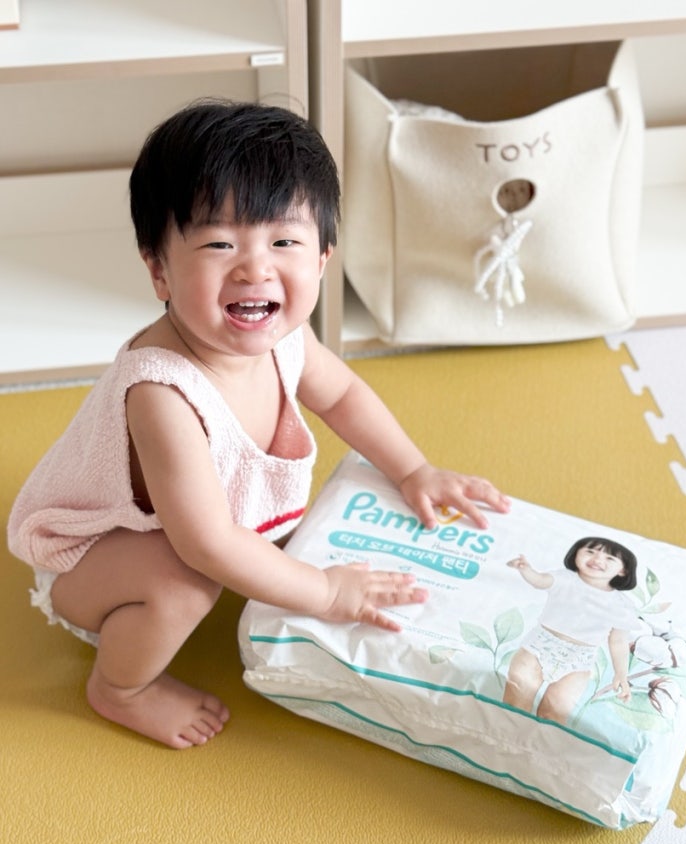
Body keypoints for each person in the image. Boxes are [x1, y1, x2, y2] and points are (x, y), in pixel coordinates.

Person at [7, 100, 511, 750]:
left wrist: (413, 469)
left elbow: (343, 395)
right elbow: (207, 545)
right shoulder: (163, 393)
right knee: (185, 582)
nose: (255, 268)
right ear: (159, 269)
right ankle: (120, 687)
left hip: (189, 525)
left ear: (322, 257)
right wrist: (323, 592)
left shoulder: (285, 337)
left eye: (284, 242)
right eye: (220, 244)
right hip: (91, 559)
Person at [503, 537, 638, 724]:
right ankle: (506, 733)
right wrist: (526, 569)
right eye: (590, 552)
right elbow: (540, 581)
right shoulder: (564, 578)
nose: (597, 559)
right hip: (539, 646)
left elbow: (618, 641)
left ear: (623, 570)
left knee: (555, 713)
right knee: (517, 699)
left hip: (580, 660)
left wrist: (621, 674)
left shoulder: (622, 605)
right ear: (576, 554)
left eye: (609, 558)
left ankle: (537, 741)